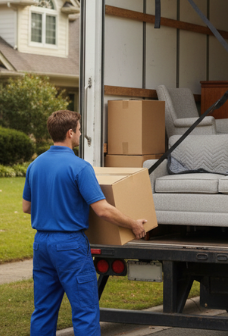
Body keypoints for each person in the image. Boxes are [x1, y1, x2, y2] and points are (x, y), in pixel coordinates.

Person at [22, 110, 148, 335]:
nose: (81, 134)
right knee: (85, 311)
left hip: (41, 244)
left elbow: (26, 207)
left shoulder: (35, 165)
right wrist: (133, 224)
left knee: (43, 310)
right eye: (79, 130)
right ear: (70, 133)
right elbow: (103, 210)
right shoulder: (80, 167)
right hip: (69, 245)